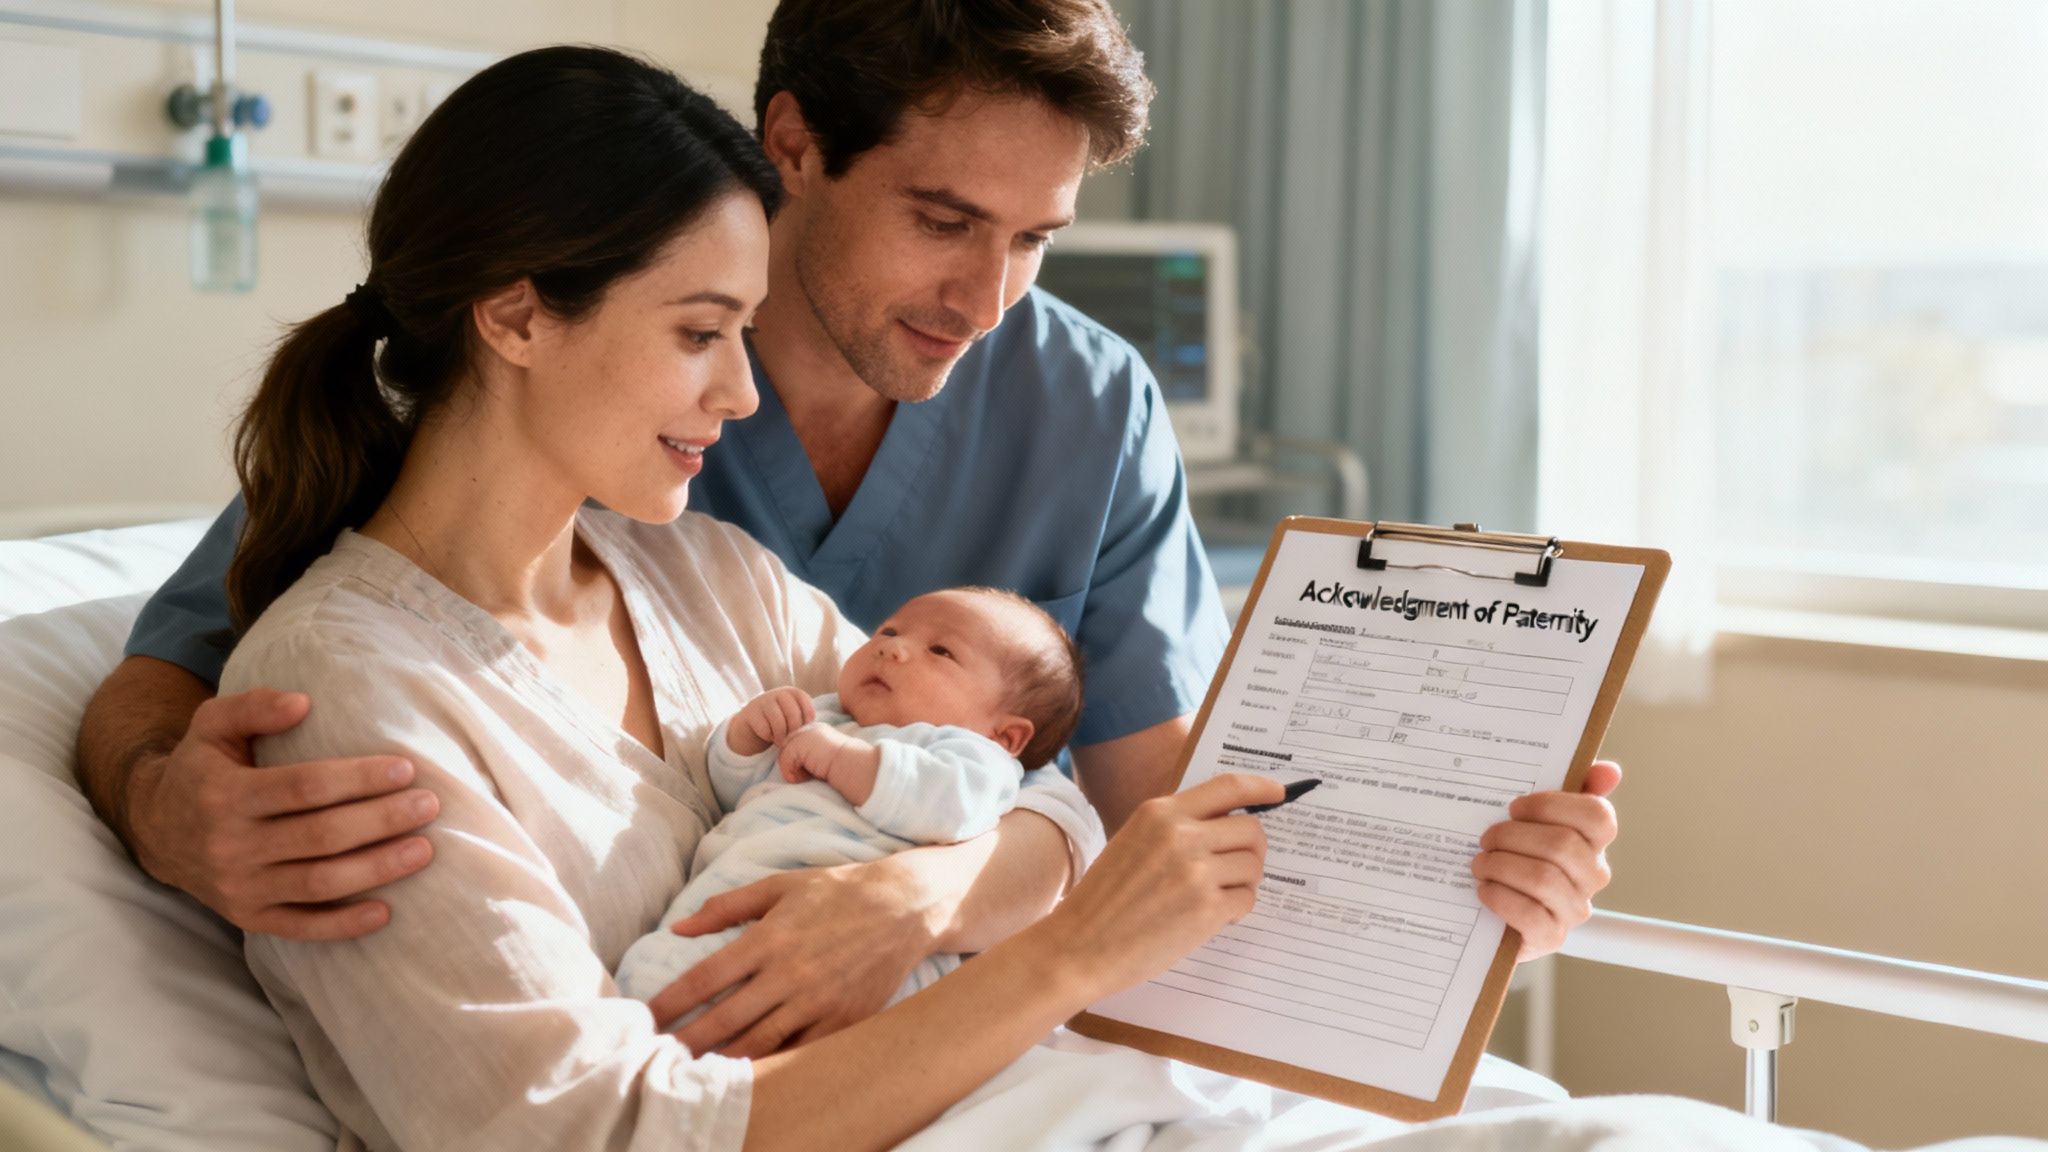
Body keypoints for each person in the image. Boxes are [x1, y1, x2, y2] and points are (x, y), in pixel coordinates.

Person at [76, 0, 1621, 1063]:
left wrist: (1463, 884)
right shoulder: (555, 395)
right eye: (944, 220)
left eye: (1034, 239)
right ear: (796, 143)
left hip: (965, 1029)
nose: (988, 297)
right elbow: (187, 669)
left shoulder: (1087, 407)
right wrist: (159, 808)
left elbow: (1159, 828)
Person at [202, 45, 1282, 1150]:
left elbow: (1038, 799)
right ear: (517, 317)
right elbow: (591, 1131)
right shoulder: (347, 692)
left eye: (742, 330)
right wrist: (1070, 957)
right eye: (697, 333)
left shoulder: (713, 579)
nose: (742, 390)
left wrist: (921, 897)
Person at [616, 586, 1084, 1021]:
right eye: (889, 630)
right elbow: (732, 791)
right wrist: (747, 737)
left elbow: (953, 807)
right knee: (659, 982)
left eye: (941, 651)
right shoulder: (827, 717)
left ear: (1005, 734)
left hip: (867, 938)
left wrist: (846, 760)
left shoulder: (973, 757)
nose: (890, 647)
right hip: (735, 890)